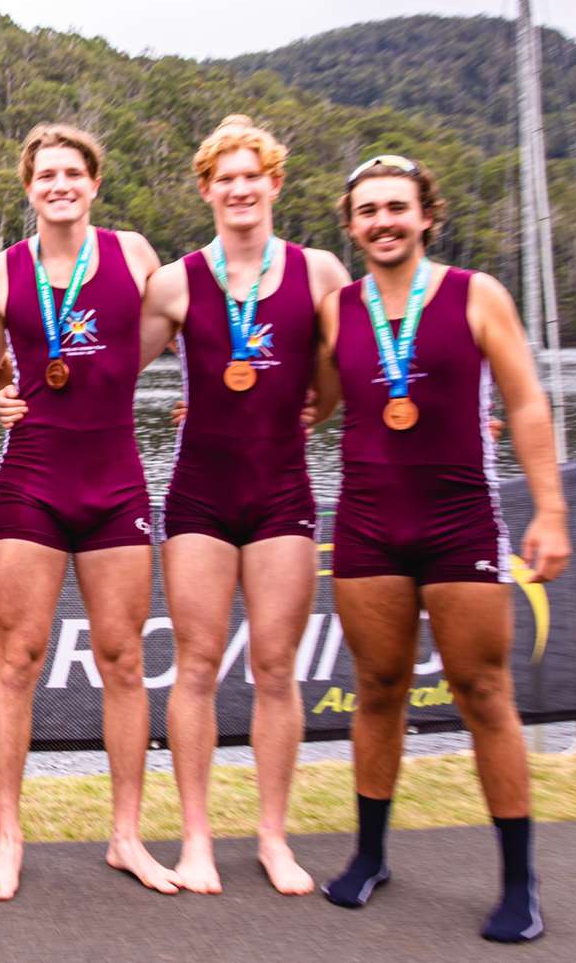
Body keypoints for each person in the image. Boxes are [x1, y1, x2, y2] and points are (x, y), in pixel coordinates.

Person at [314, 155, 569, 942]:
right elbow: (314, 403)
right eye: (368, 211)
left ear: (427, 215)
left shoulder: (475, 294)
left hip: (461, 523)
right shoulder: (338, 308)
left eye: (397, 207)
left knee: (483, 692)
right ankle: (369, 856)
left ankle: (519, 883)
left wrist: (551, 508)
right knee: (378, 687)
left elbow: (525, 403)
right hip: (367, 524)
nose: (383, 222)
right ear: (351, 225)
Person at [0, 123, 175, 898]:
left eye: (72, 174)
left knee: (123, 659)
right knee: (17, 658)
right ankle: (7, 840)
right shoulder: (2, 271)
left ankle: (126, 837)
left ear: (94, 184)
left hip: (116, 483)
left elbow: (193, 335)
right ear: (29, 187)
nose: (60, 185)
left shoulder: (134, 256)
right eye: (46, 175)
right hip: (33, 483)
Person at [134, 115, 351, 894]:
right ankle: (195, 838)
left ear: (274, 183)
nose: (238, 189)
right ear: (206, 190)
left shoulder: (319, 272)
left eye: (250, 175)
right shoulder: (176, 282)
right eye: (223, 178)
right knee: (194, 667)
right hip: (200, 493)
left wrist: (318, 406)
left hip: (282, 493)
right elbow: (103, 370)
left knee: (275, 668)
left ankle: (272, 837)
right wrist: (17, 396)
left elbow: (352, 363)